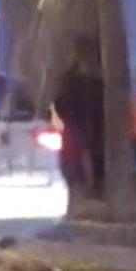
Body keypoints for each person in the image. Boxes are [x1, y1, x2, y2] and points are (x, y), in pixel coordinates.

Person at [51, 43, 106, 200]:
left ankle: (82, 184)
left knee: (77, 156)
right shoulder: (93, 82)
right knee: (85, 155)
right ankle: (88, 185)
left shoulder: (71, 82)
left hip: (78, 124)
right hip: (85, 124)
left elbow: (60, 102)